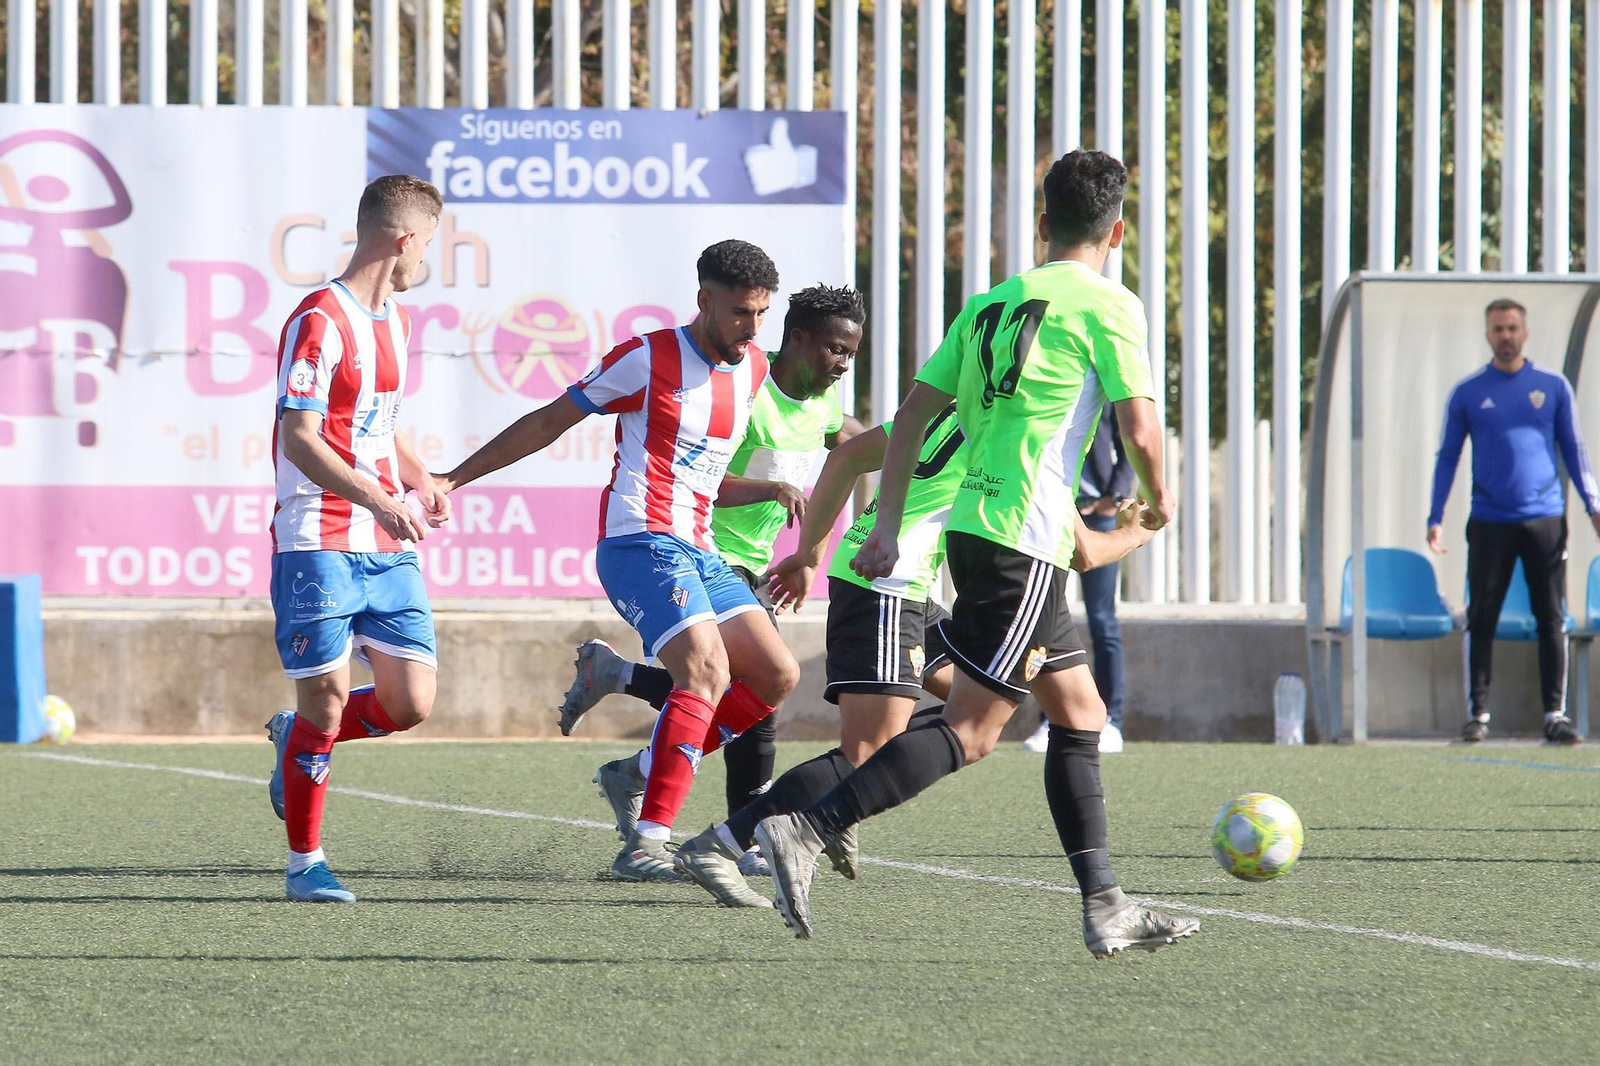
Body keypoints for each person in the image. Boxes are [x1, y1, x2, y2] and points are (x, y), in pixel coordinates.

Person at [754, 149, 1200, 959]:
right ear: (1118, 230)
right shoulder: (1109, 304)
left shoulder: (991, 302)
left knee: (1081, 712)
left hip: (980, 529)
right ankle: (808, 826)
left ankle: (1106, 904)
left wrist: (888, 522)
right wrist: (1161, 502)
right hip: (1023, 538)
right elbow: (1139, 428)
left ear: (1041, 226)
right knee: (975, 729)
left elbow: (912, 418)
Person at [674, 405, 1161, 909]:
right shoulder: (1021, 434)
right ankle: (724, 844)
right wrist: (1137, 531)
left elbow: (843, 457)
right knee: (870, 750)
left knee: (971, 708)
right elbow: (1084, 552)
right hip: (888, 586)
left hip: (900, 585)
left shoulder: (950, 409)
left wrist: (811, 555)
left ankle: (835, 813)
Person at [432, 239, 800, 882]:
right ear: (704, 301)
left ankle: (637, 774)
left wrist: (770, 489)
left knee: (775, 675)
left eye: (762, 314)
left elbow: (703, 480)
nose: (752, 328)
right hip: (641, 542)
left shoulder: (755, 369)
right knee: (706, 671)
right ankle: (648, 842)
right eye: (741, 313)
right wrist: (454, 478)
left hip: (702, 546)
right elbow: (550, 421)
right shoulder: (647, 357)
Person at [555, 285, 866, 876]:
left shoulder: (824, 408)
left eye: (851, 353)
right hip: (708, 549)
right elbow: (700, 478)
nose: (843, 364)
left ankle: (636, 739)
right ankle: (736, 837)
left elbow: (845, 466)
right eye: (835, 349)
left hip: (747, 561)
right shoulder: (750, 390)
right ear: (797, 339)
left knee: (755, 685)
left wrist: (809, 553)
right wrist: (773, 493)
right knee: (728, 685)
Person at [265, 175, 452, 903]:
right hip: (317, 536)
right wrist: (380, 497)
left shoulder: (399, 322)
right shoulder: (319, 317)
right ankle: (304, 863)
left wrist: (422, 478)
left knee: (410, 703)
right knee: (328, 704)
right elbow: (302, 439)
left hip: (386, 543)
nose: (426, 260)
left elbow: (379, 424)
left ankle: (295, 739)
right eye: (428, 244)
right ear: (404, 239)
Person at [1427, 298, 1600, 745]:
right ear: (1488, 335)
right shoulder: (1469, 392)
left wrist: (1592, 505)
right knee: (1482, 617)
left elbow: (1574, 450)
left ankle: (1554, 715)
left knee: (1551, 618)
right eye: (1497, 329)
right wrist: (1436, 515)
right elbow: (1448, 456)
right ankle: (1478, 715)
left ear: (1524, 333)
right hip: (1488, 520)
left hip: (1543, 519)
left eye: (1511, 328)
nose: (1505, 335)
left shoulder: (1552, 386)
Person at [1023, 402, 1133, 754]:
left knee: (1102, 620)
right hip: (1049, 509)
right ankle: (1051, 720)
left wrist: (1112, 498)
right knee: (1044, 619)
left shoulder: (1102, 381)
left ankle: (1111, 720)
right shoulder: (1047, 382)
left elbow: (1131, 441)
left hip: (1096, 512)